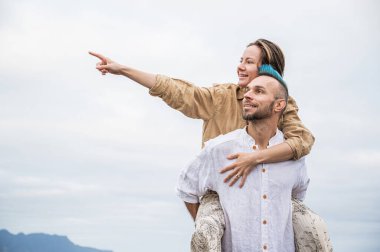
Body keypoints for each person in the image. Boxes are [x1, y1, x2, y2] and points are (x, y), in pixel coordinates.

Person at [89, 38, 333, 251]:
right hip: (219, 193)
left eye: (249, 61)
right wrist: (122, 69)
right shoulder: (221, 97)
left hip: (261, 191)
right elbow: (177, 91)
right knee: (207, 230)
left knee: (310, 225)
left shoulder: (282, 104)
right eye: (241, 59)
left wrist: (254, 158)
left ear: (268, 69)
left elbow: (302, 141)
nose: (240, 66)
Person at [177, 70, 309, 251]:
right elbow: (186, 187)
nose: (247, 95)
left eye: (259, 91)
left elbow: (296, 199)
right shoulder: (219, 149)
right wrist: (207, 229)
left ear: (279, 105)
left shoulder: (294, 159)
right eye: (248, 90)